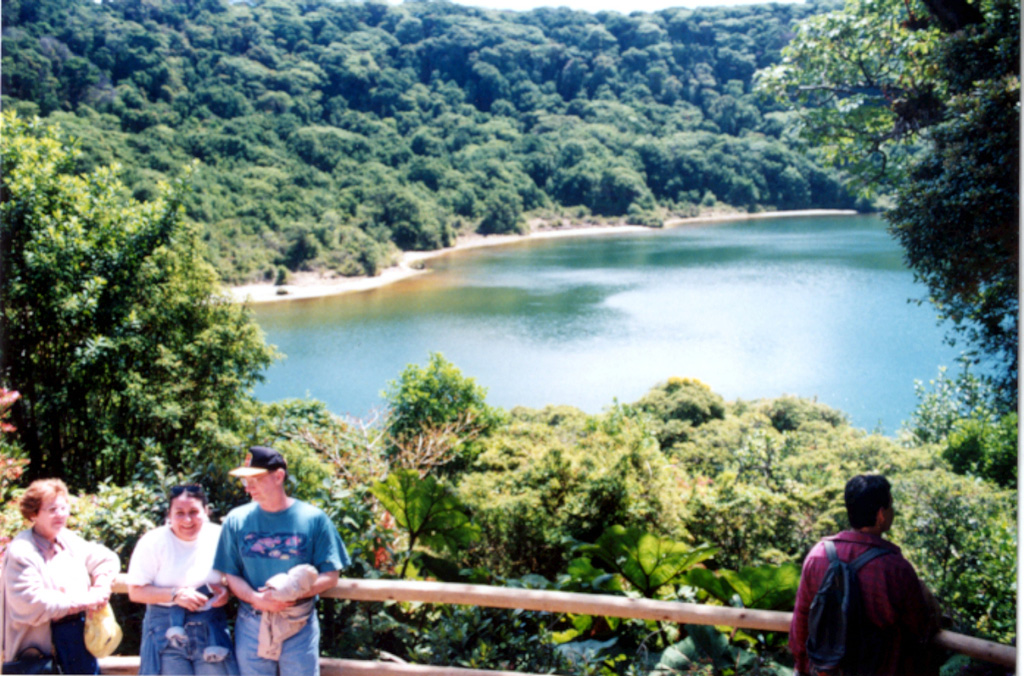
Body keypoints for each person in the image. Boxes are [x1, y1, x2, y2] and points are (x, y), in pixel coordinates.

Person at [213, 446, 350, 675]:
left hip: (299, 621)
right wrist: (257, 599)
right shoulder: (236, 520)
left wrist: (287, 594)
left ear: (278, 476)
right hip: (251, 622)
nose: (248, 488)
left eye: (255, 480)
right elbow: (231, 573)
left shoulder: (314, 519)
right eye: (245, 481)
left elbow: (331, 575)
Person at [789, 474, 940, 675]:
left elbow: (801, 620)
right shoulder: (896, 568)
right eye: (890, 507)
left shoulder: (817, 555)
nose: (893, 512)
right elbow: (919, 628)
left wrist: (801, 667)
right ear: (881, 515)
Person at [1, 478, 118, 674]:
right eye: (52, 509)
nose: (61, 514)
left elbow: (106, 558)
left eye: (64, 508)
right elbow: (30, 602)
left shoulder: (66, 539)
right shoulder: (21, 550)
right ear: (34, 513)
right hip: (40, 654)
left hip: (78, 646)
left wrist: (101, 586)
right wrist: (84, 600)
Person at [127, 484, 240, 675]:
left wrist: (226, 591)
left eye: (194, 512)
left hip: (210, 627)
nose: (187, 520)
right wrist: (175, 595)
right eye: (179, 513)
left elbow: (235, 577)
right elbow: (135, 591)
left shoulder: (220, 536)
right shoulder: (153, 542)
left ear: (206, 511)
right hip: (165, 629)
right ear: (169, 514)